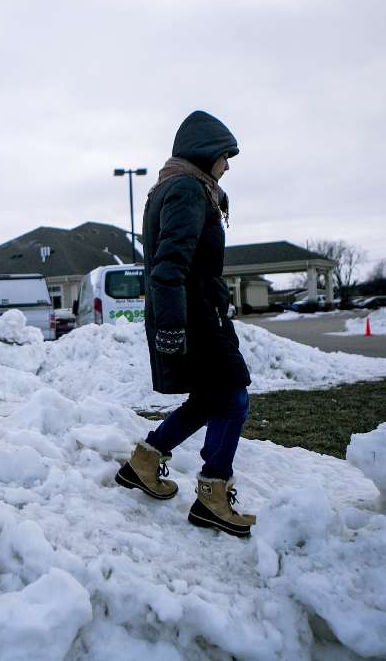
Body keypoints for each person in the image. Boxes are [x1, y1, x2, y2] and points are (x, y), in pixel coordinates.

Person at [115, 110, 256, 538]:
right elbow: (168, 267)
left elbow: (182, 266)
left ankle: (145, 460)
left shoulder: (181, 189)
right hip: (195, 319)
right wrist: (173, 328)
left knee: (209, 399)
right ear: (206, 151)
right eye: (224, 156)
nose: (228, 165)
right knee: (233, 397)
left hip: (198, 312)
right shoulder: (188, 192)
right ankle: (213, 494)